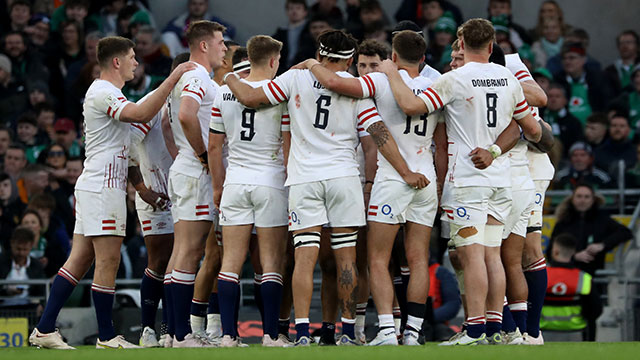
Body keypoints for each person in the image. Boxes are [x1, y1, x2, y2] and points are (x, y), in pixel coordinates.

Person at [225, 29, 427, 346]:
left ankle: (303, 333)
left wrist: (229, 78)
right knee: (346, 259)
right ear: (349, 60)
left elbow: (250, 98)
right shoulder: (356, 90)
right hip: (345, 178)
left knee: (305, 258)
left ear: (319, 55)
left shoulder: (294, 80)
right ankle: (347, 332)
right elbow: (378, 134)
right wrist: (405, 171)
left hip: (304, 179)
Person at [377, 18, 542, 345]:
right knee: (492, 256)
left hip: (467, 180)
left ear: (461, 44)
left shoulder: (455, 79)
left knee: (471, 256)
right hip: (500, 180)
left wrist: (391, 72)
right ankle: (496, 330)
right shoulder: (509, 79)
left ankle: (476, 329)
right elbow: (530, 129)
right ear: (492, 47)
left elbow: (411, 105)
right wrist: (494, 150)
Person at [28, 35, 195, 350]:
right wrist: (173, 79)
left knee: (79, 260)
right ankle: (106, 336)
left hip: (100, 185)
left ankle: (45, 328)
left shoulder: (111, 94)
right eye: (132, 56)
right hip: (104, 187)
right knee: (108, 261)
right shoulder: (103, 91)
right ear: (116, 61)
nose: (136, 61)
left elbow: (129, 143)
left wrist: (140, 186)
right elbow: (140, 115)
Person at [300, 29, 442, 346]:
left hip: (391, 178)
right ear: (422, 58)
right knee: (418, 259)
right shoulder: (438, 85)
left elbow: (336, 83)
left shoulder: (379, 81)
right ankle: (414, 333)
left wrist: (311, 63)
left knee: (377, 259)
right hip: (426, 176)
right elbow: (442, 143)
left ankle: (388, 331)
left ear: (392, 57)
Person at [209, 35, 290, 347]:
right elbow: (286, 145)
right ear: (272, 61)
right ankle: (271, 336)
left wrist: (218, 186)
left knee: (230, 261)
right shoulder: (278, 94)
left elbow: (215, 146)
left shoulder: (223, 93)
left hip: (235, 182)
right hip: (270, 181)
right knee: (270, 262)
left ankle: (228, 336)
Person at [165, 20, 227, 348]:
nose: (225, 48)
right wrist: (203, 155)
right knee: (189, 253)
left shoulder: (196, 77)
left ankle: (175, 333)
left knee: (183, 253)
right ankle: (180, 333)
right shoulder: (197, 76)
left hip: (187, 170)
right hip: (195, 173)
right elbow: (188, 115)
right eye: (220, 42)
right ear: (204, 45)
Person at [549, 184, 633, 276]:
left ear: (593, 200)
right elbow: (550, 253)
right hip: (566, 277)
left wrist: (602, 245)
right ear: (572, 199)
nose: (582, 200)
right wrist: (574, 257)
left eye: (587, 197)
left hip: (594, 276)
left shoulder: (602, 219)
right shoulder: (563, 222)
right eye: (579, 196)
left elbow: (625, 232)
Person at [541, 233, 602, 341]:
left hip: (542, 333)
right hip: (576, 333)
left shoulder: (541, 275)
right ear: (573, 253)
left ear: (555, 252)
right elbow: (595, 310)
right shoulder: (584, 278)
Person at [553, 43, 611, 126]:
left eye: (572, 58)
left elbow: (605, 103)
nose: (567, 61)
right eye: (564, 58)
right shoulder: (557, 80)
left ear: (583, 59)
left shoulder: (597, 79)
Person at [162, 0, 235, 57]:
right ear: (189, 5)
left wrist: (209, 34)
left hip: (207, 54)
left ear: (206, 5)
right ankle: (173, 69)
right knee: (168, 36)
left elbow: (231, 30)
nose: (197, 7)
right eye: (194, 4)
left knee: (226, 40)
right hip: (184, 53)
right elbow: (165, 32)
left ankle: (219, 73)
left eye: (201, 4)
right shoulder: (180, 20)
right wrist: (182, 32)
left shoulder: (212, 20)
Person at [0, 226, 46, 308]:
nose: (21, 253)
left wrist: (40, 305)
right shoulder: (1, 262)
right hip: (3, 308)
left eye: (25, 250)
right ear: (12, 243)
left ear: (31, 246)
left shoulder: (36, 265)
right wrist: (7, 292)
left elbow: (41, 290)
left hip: (28, 309)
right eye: (18, 249)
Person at [543, 83, 584, 156]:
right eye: (550, 96)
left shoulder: (573, 122)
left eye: (557, 96)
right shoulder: (538, 116)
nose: (553, 99)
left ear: (565, 100)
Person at [272, 0, 311, 73]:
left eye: (298, 8)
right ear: (287, 12)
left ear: (305, 12)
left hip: (305, 70)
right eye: (291, 8)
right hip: (284, 70)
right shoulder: (280, 33)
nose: (294, 11)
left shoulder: (312, 30)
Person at [604, 30, 639, 97]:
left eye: (629, 42)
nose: (624, 46)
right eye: (621, 43)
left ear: (637, 46)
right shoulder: (609, 71)